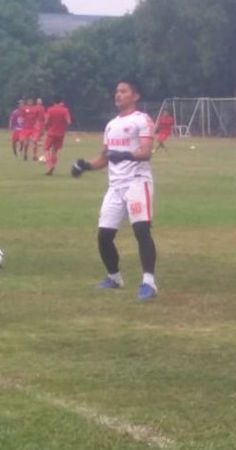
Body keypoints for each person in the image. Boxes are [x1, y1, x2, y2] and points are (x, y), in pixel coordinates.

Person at [70, 79, 159, 301]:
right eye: (117, 91)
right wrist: (86, 166)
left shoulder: (142, 120)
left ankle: (149, 283)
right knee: (104, 236)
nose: (118, 94)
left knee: (141, 231)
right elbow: (105, 157)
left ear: (135, 96)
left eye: (124, 91)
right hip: (115, 186)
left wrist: (126, 155)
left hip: (137, 182)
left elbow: (146, 152)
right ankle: (114, 277)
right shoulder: (110, 125)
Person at [42, 97, 72, 176]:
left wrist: (45, 128)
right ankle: (53, 167)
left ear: (53, 102)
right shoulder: (65, 110)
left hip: (51, 133)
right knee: (54, 151)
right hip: (61, 134)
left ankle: (50, 165)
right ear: (61, 102)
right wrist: (63, 126)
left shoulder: (50, 109)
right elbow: (69, 122)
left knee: (46, 149)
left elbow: (47, 121)